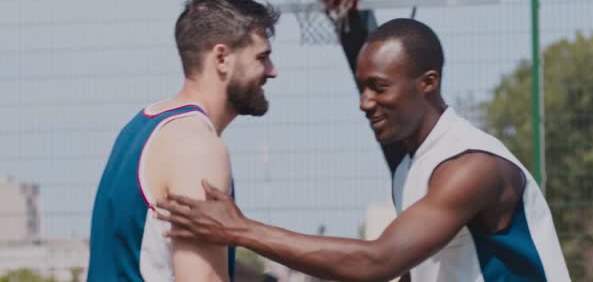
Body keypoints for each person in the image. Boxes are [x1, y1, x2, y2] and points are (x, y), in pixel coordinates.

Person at [155, 18, 571, 282]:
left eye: (379, 87)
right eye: (361, 87)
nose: (364, 102)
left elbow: (379, 262)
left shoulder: (470, 165)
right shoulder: (413, 166)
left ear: (428, 82)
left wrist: (240, 229)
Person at [87, 0, 279, 282]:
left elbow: (169, 259)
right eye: (262, 57)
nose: (272, 71)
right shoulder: (197, 145)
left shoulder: (142, 127)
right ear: (222, 58)